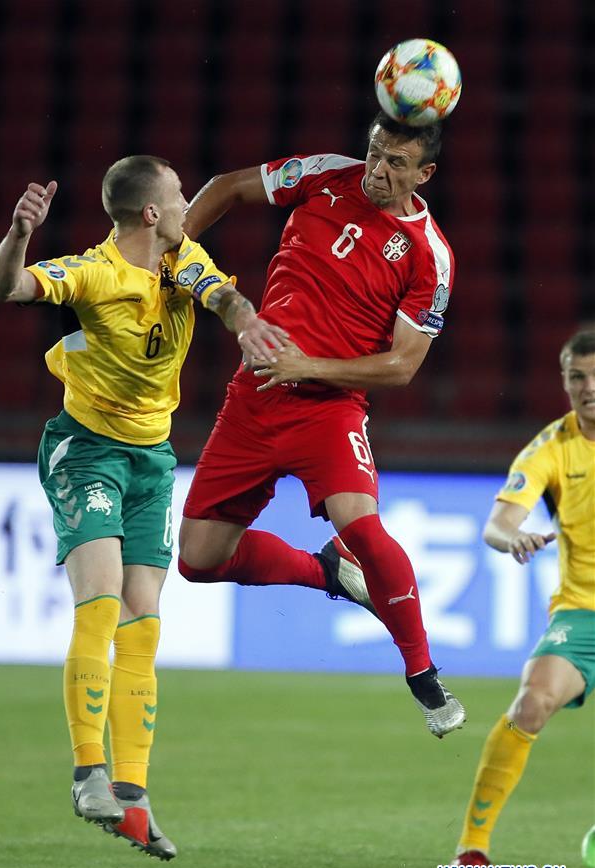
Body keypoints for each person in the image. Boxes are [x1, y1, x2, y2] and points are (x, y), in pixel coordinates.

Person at [0, 155, 286, 860]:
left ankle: (131, 794)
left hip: (151, 461)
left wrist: (248, 324)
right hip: (87, 451)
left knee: (143, 622)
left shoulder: (182, 258)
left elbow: (221, 297)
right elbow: (7, 287)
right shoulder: (91, 273)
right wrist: (17, 236)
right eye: (179, 195)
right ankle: (87, 771)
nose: (188, 204)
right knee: (99, 601)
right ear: (150, 212)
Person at [177, 111, 466, 738]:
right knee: (197, 561)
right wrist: (168, 251)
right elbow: (227, 186)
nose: (378, 169)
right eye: (375, 151)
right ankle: (326, 572)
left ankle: (423, 674)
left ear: (425, 173)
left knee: (360, 524)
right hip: (253, 399)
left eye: (396, 162)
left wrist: (308, 364)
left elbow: (402, 366)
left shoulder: (430, 255)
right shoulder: (324, 177)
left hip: (329, 409)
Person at [452, 329, 595, 867]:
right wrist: (515, 537)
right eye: (577, 376)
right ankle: (473, 845)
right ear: (563, 381)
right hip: (582, 612)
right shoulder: (551, 448)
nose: (589, 387)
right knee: (531, 703)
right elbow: (498, 523)